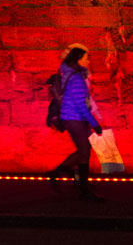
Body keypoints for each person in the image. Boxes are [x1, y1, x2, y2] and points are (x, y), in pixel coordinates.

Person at [47, 44, 104, 201]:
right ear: (78, 60)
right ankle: (82, 190)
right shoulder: (77, 79)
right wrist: (95, 123)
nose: (89, 61)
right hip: (74, 118)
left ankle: (63, 172)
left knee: (84, 150)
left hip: (75, 117)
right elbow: (81, 105)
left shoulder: (76, 75)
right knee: (84, 151)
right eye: (86, 58)